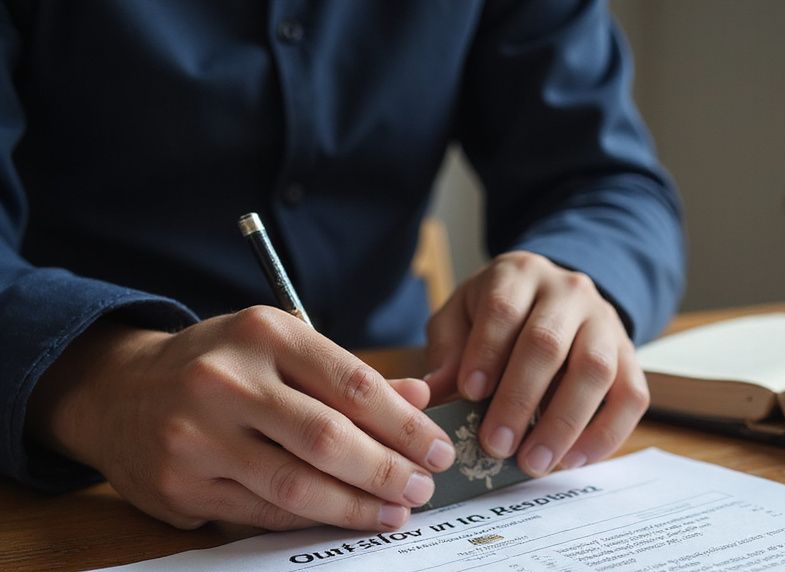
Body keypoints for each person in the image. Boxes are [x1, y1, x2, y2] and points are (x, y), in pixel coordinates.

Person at [1, 1, 684, 532]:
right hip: (79, 479)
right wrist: (94, 385)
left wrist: (578, 277)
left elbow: (608, 183)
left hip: (410, 397)